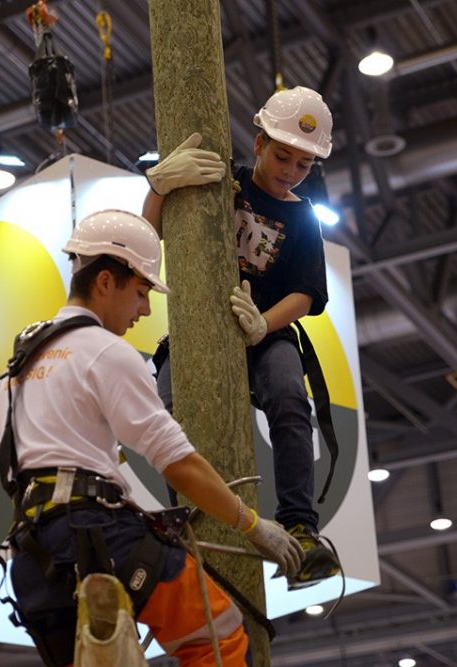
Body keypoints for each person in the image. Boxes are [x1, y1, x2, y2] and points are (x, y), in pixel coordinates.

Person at [0, 209, 304, 667]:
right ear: (105, 281)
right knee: (219, 635)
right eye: (140, 292)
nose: (144, 309)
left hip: (32, 559)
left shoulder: (18, 368)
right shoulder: (105, 352)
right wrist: (252, 525)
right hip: (96, 537)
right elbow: (178, 463)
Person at [142, 86, 339, 589]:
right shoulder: (221, 183)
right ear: (258, 144)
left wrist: (263, 324)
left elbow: (307, 293)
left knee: (290, 399)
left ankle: (300, 526)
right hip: (197, 326)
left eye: (303, 164)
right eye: (282, 156)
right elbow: (149, 237)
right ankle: (196, 523)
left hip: (267, 331)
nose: (290, 171)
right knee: (170, 408)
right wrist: (159, 188)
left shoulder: (303, 218)